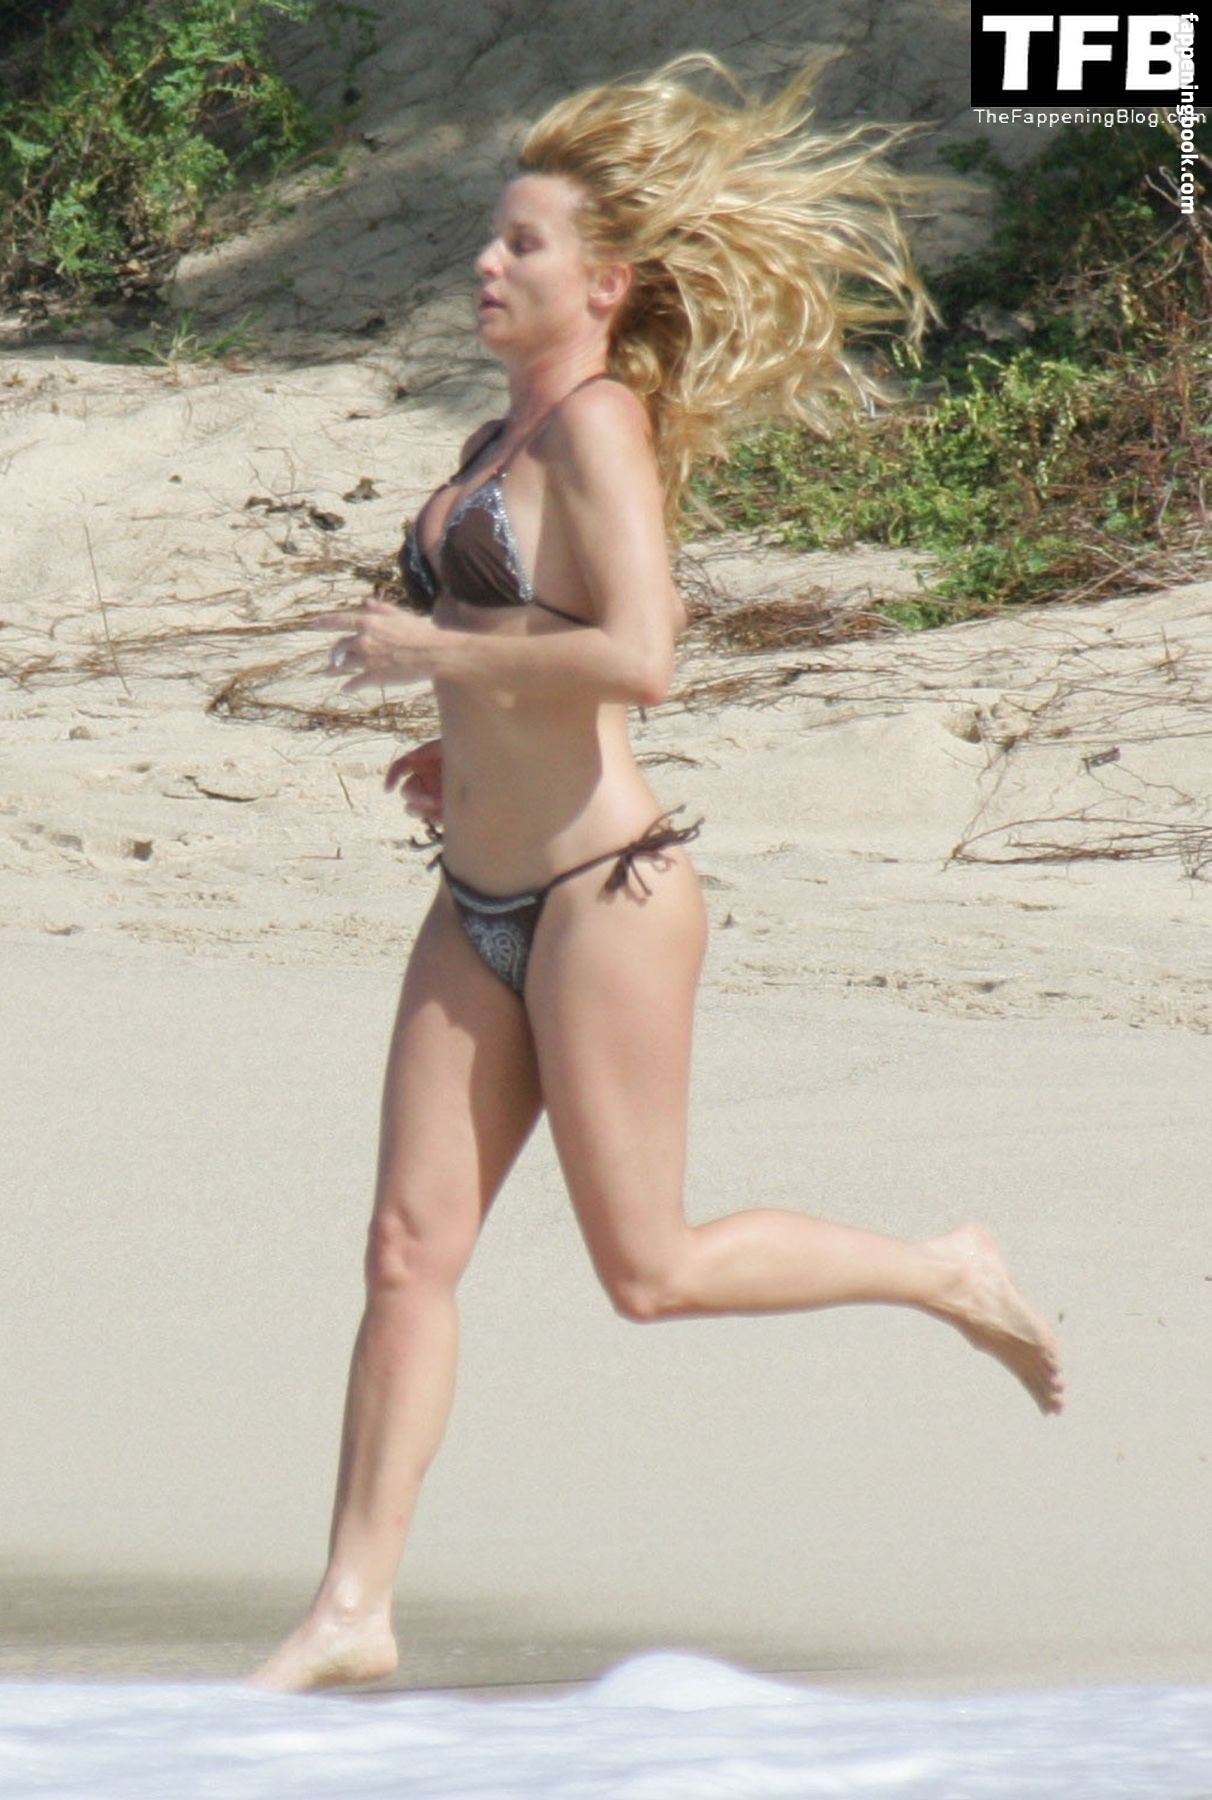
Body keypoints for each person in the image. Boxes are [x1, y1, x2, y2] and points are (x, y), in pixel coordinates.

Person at [252, 53, 1063, 1693]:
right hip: (472, 898)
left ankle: (946, 1270)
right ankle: (352, 1610)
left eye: (524, 244)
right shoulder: (495, 436)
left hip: (601, 898)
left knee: (651, 1272)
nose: (488, 262)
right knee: (407, 1250)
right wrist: (458, 737)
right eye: (493, 239)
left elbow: (642, 657)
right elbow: (528, 638)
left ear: (605, 283)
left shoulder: (602, 428)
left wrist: (431, 654)